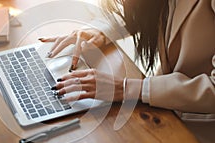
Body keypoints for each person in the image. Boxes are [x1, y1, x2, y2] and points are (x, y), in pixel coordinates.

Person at [40, 0, 215, 141]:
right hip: (164, 110)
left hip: (199, 127)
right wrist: (99, 31)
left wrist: (125, 89)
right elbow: (149, 7)